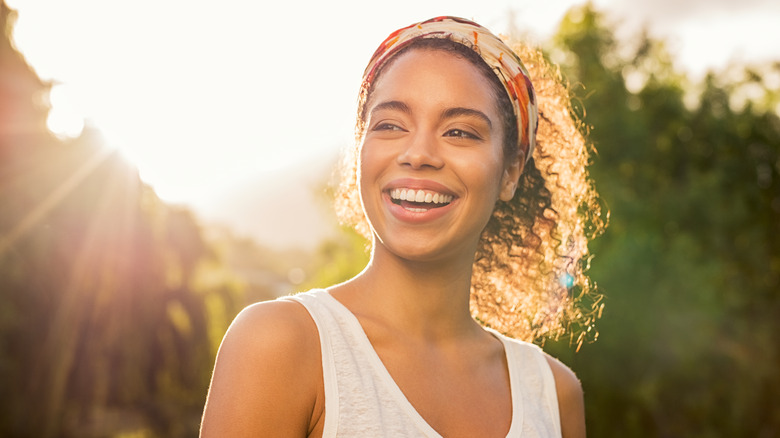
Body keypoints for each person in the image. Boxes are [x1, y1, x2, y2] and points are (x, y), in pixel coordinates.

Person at [201, 16, 603, 438]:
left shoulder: (553, 396)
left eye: (460, 132)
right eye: (390, 125)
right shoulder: (279, 345)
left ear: (510, 171)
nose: (418, 153)